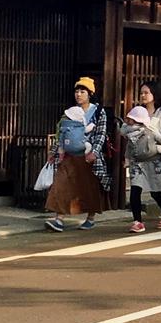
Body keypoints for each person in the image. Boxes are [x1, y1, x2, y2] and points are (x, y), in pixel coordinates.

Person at [44, 77, 112, 231]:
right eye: (77, 91)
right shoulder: (71, 112)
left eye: (82, 91)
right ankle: (59, 219)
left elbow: (101, 133)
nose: (79, 94)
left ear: (90, 94)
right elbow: (61, 133)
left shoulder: (98, 112)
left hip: (88, 156)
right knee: (61, 184)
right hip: (69, 155)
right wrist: (54, 151)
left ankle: (91, 217)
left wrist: (94, 152)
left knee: (90, 187)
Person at [122, 81, 161, 233]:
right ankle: (137, 221)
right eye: (141, 92)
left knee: (155, 191)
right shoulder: (137, 112)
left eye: (146, 92)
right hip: (138, 160)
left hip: (155, 159)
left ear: (155, 94)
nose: (143, 95)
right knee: (135, 189)